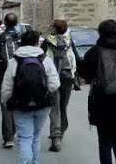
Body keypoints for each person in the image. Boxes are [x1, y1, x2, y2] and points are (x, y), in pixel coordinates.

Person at [78, 19, 116, 164]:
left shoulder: (95, 52)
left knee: (105, 140)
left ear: (100, 33)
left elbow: (83, 71)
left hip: (101, 100)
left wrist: (94, 77)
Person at [0, 30, 59, 164]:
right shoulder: (45, 60)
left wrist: (7, 102)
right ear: (37, 43)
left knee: (25, 137)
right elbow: (55, 84)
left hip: (20, 104)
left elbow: (7, 87)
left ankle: (26, 161)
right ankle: (34, 161)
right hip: (42, 104)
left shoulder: (14, 61)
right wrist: (44, 91)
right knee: (36, 136)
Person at [0, 12, 22, 148]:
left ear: (4, 24)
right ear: (17, 23)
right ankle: (13, 132)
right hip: (20, 75)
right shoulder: (21, 38)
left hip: (2, 75)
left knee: (5, 105)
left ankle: (8, 137)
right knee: (17, 104)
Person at [42, 19, 77, 152]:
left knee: (55, 107)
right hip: (68, 77)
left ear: (55, 29)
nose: (49, 28)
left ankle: (56, 137)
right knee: (63, 106)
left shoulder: (47, 42)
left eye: (51, 26)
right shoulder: (69, 41)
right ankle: (61, 132)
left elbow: (41, 58)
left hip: (53, 77)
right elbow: (75, 58)